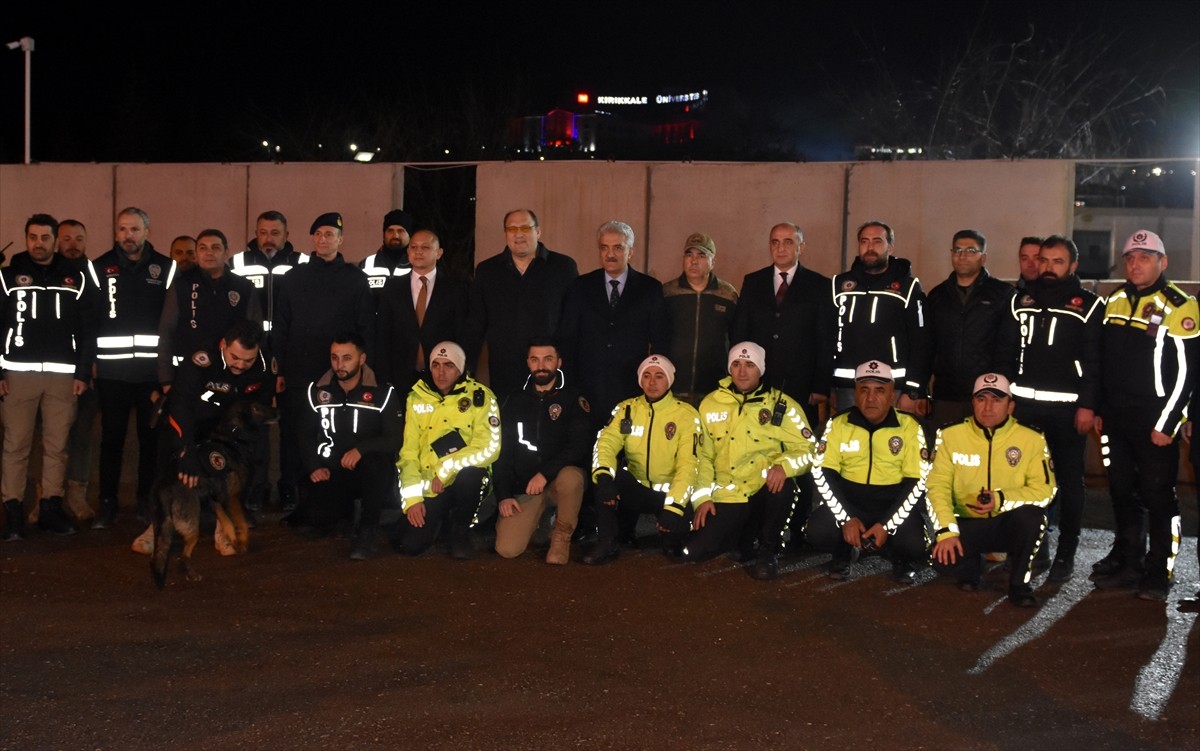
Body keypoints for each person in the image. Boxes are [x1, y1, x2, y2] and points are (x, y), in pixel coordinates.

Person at [1093, 230, 1198, 601]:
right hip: (1116, 418)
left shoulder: (1179, 304)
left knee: (1158, 497)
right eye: (1130, 258)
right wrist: (1101, 408)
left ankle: (1159, 570)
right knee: (1122, 491)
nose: (1136, 264)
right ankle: (1129, 560)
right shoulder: (1115, 299)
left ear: (1162, 262)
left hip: (1154, 420)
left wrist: (1168, 423)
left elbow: (1187, 374)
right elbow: (1103, 361)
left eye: (1145, 257)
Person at [729, 222, 833, 548]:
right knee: (760, 451)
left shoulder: (819, 285)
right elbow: (741, 331)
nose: (781, 247)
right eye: (775, 242)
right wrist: (741, 377)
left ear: (801, 246)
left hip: (801, 387)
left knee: (800, 455)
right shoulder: (753, 281)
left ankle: (799, 528)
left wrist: (820, 384)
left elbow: (826, 338)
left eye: (788, 242)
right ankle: (759, 527)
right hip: (760, 386)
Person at [1008, 235, 1103, 582]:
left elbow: (1094, 361)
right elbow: (1007, 351)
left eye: (1057, 261)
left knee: (1069, 482)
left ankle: (1066, 553)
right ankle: (1032, 549)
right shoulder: (1020, 301)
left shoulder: (1088, 305)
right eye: (1044, 260)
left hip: (1067, 411)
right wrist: (1006, 397)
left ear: (1073, 266)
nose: (1047, 267)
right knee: (1023, 479)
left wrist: (1088, 405)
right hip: (1024, 409)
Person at [273, 212, 374, 527]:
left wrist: (362, 368)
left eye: (330, 234)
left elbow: (365, 326)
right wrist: (279, 369)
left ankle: (334, 499)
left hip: (339, 375)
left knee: (336, 435)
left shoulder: (355, 279)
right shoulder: (294, 277)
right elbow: (281, 325)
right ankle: (294, 494)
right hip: (299, 372)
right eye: (318, 234)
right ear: (312, 239)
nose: (323, 239)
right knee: (296, 435)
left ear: (341, 240)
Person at [1, 214, 96, 540]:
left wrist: (82, 372)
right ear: (26, 239)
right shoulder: (7, 277)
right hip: (17, 374)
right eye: (33, 237)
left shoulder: (76, 278)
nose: (38, 243)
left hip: (63, 376)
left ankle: (50, 509)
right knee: (16, 445)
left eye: (45, 238)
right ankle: (13, 512)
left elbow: (88, 330)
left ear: (55, 241)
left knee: (57, 446)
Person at [927, 373, 1055, 607]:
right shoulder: (949, 435)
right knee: (940, 562)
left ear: (1010, 406)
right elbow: (937, 486)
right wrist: (946, 532)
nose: (988, 407)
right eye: (981, 399)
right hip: (965, 522)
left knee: (1034, 518)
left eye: (997, 400)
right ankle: (971, 569)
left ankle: (1019, 584)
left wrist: (1001, 499)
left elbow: (1046, 490)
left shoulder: (1031, 438)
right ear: (973, 402)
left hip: (1006, 522)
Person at [690, 343, 816, 580]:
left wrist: (785, 466)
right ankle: (744, 540)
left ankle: (768, 550)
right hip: (729, 494)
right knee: (698, 551)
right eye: (736, 364)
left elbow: (810, 448)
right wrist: (702, 499)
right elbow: (703, 457)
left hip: (762, 490)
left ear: (761, 369)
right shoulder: (710, 403)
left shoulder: (782, 405)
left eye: (749, 365)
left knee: (784, 488)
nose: (742, 371)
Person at [150, 320, 275, 555]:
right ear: (224, 345)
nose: (240, 365)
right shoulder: (202, 359)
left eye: (248, 360)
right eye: (235, 357)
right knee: (171, 468)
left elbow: (260, 411)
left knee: (231, 469)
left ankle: (223, 525)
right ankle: (157, 527)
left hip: (227, 426)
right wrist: (185, 451)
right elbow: (180, 406)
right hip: (190, 419)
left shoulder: (265, 364)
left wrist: (240, 440)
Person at [90, 207, 177, 529]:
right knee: (111, 440)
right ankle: (107, 503)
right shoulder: (99, 267)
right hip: (112, 373)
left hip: (151, 374)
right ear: (116, 232)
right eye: (123, 229)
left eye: (135, 229)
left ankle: (146, 501)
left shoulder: (166, 268)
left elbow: (173, 323)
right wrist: (91, 365)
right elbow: (90, 319)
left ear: (147, 232)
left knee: (150, 441)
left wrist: (169, 370)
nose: (128, 235)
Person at [808, 360, 929, 582]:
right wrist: (846, 518)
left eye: (880, 390)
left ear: (892, 395)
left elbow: (917, 481)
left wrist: (887, 525)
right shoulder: (838, 424)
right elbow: (822, 473)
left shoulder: (910, 426)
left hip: (891, 504)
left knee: (915, 545)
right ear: (855, 394)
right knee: (817, 531)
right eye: (864, 390)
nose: (871, 398)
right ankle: (845, 550)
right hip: (851, 502)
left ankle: (896, 554)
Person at [584, 355, 701, 565]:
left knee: (674, 548)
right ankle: (607, 541)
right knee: (604, 478)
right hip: (636, 487)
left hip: (668, 495)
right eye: (646, 376)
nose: (652, 382)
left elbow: (689, 466)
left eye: (659, 376)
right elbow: (606, 443)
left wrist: (674, 507)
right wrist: (603, 477)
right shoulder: (626, 409)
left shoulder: (686, 415)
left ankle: (672, 533)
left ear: (669, 380)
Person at [229, 210, 307, 512]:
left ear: (287, 235)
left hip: (290, 356)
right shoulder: (238, 263)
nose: (268, 238)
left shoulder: (302, 263)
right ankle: (255, 490)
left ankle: (289, 488)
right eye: (263, 232)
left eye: (275, 233)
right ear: (255, 233)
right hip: (252, 359)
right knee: (254, 427)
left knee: (291, 429)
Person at [558, 220, 669, 429]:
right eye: (604, 248)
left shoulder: (650, 289)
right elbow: (568, 338)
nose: (610, 254)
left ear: (630, 252)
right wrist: (570, 387)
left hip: (632, 385)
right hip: (588, 387)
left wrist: (654, 383)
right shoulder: (580, 286)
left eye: (618, 247)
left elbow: (660, 341)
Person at [301, 334, 403, 560]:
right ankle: (345, 518)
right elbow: (305, 435)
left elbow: (394, 439)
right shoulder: (317, 391)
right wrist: (314, 466)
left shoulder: (382, 392)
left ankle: (368, 532)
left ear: (362, 359)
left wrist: (361, 449)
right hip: (333, 468)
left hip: (370, 470)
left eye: (347, 358)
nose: (340, 364)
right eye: (334, 357)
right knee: (316, 517)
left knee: (375, 465)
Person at [396, 342, 500, 559]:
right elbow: (408, 453)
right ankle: (440, 522)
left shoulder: (481, 397)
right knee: (410, 545)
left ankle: (460, 530)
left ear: (460, 369)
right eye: (436, 365)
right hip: (430, 486)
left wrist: (445, 470)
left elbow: (489, 447)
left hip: (463, 480)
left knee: (471, 475)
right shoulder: (416, 398)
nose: (441, 372)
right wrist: (413, 500)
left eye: (449, 365)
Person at [493, 338, 591, 564]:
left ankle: (561, 538)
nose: (541, 366)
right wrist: (504, 495)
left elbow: (579, 446)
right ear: (528, 362)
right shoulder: (514, 400)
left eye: (548, 359)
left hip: (557, 483)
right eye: (535, 360)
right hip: (526, 487)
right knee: (507, 549)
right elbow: (503, 451)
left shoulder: (573, 398)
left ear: (559, 362)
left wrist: (545, 474)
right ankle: (543, 521)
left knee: (571, 478)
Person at [470, 209, 578, 400]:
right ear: (505, 234)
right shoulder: (487, 271)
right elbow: (477, 322)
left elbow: (572, 320)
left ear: (538, 232)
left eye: (525, 228)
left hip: (548, 370)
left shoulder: (563, 267)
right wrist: (468, 365)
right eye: (512, 229)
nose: (518, 234)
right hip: (504, 369)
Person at [830, 221, 930, 415]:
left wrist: (913, 389)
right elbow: (827, 337)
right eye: (864, 241)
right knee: (848, 434)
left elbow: (922, 341)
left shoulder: (908, 287)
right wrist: (828, 385)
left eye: (877, 241)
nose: (870, 247)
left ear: (890, 247)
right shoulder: (839, 285)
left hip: (894, 387)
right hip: (848, 387)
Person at [926, 229, 1018, 427]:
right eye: (957, 250)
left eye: (970, 250)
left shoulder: (1003, 294)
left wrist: (999, 390)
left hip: (987, 395)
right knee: (945, 444)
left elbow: (1008, 346)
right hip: (946, 393)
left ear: (983, 257)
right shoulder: (937, 296)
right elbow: (927, 346)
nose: (962, 256)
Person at [157, 229, 261, 387]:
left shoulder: (244, 287)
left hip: (233, 375)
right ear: (197, 254)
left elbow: (256, 333)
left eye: (215, 248)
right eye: (203, 248)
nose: (209, 253)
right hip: (189, 374)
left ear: (226, 252)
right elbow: (166, 332)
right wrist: (166, 378)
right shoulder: (181, 285)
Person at [375, 228, 470, 390]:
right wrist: (382, 374)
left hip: (442, 377)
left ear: (439, 253)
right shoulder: (392, 287)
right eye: (413, 247)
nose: (418, 251)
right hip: (400, 375)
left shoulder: (455, 289)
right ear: (408, 251)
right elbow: (383, 333)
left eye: (425, 247)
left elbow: (462, 332)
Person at [55, 219, 100, 522]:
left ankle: (77, 495)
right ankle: (48, 495)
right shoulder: (47, 274)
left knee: (82, 434)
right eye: (67, 238)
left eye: (79, 238)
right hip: (53, 372)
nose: (73, 244)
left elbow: (100, 323)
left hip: (88, 372)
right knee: (51, 439)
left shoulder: (94, 274)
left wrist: (93, 363)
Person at [662, 232, 739, 406]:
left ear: (713, 262)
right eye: (689, 255)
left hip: (714, 389)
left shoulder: (727, 295)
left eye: (701, 256)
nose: (694, 261)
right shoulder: (667, 293)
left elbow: (737, 338)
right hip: (673, 387)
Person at [360, 209, 413, 295]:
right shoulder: (366, 264)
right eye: (390, 231)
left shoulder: (417, 264)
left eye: (400, 231)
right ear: (384, 235)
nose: (395, 235)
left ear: (409, 236)